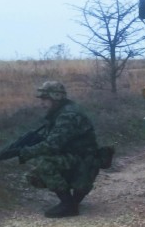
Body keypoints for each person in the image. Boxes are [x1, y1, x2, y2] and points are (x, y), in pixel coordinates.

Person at [18, 81, 104, 218]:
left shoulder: (67, 115)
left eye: (45, 100)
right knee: (35, 175)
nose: (42, 104)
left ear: (55, 98)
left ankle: (68, 205)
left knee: (44, 163)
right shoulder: (61, 112)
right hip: (79, 159)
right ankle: (71, 202)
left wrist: (26, 153)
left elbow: (52, 145)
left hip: (85, 162)